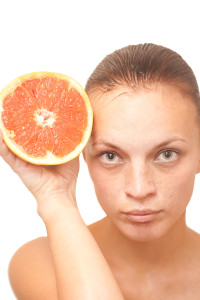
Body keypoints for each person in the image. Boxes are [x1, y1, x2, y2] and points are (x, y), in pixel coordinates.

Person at [1, 43, 200, 299]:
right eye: (111, 156)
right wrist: (57, 201)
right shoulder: (39, 262)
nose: (139, 190)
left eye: (166, 154)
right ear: (83, 153)